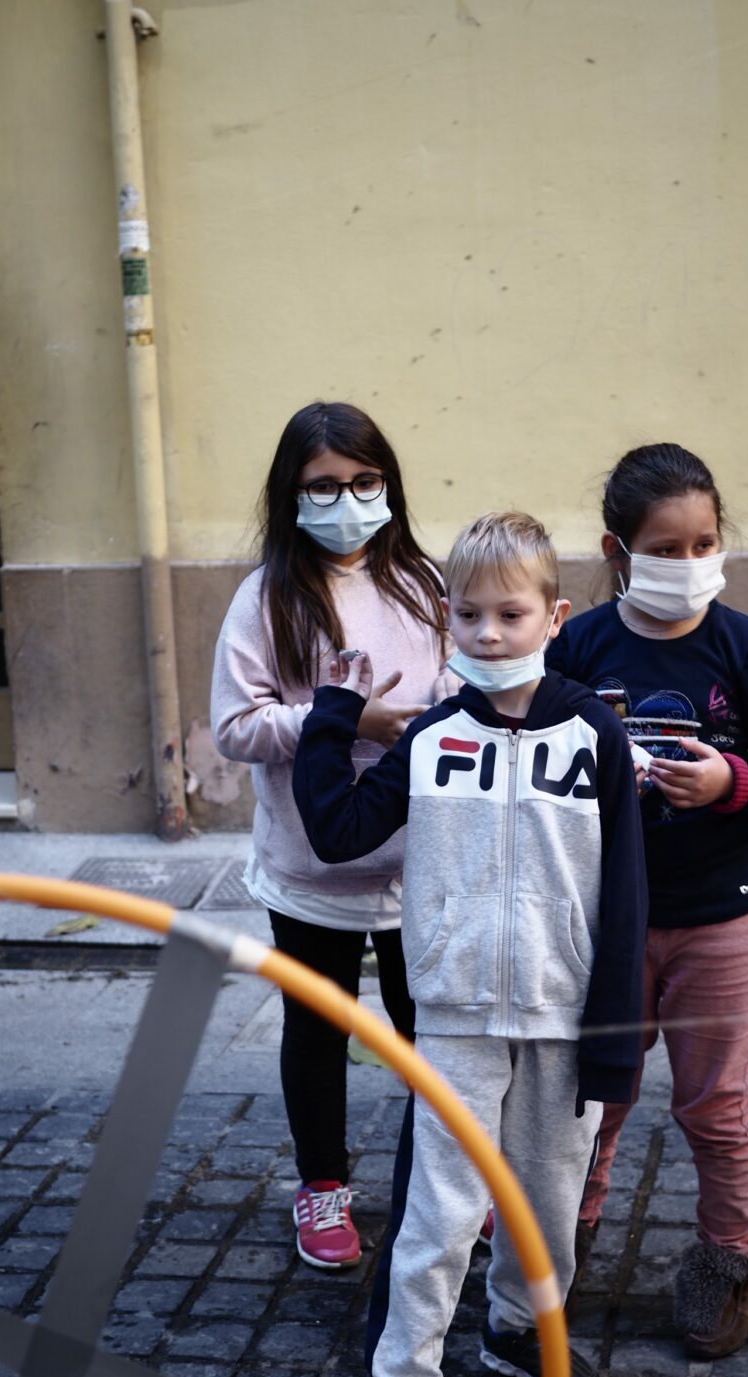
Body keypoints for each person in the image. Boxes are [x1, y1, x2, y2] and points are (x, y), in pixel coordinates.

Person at [293, 512, 647, 1377]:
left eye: (510, 614)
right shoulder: (433, 736)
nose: (488, 634)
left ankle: (516, 1330)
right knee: (440, 1214)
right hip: (453, 1019)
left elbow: (625, 896)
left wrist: (614, 1037)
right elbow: (337, 830)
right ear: (446, 619)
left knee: (548, 1208)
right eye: (468, 615)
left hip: (565, 1018)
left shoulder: (597, 735)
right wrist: (334, 714)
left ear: (554, 617)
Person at [548, 444, 748, 1359]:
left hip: (723, 918)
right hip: (610, 919)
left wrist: (730, 782)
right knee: (592, 1097)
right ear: (618, 550)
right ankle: (561, 1239)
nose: (690, 562)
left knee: (715, 1105)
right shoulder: (579, 647)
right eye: (666, 549)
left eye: (704, 543)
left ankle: (729, 1260)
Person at [211, 400, 451, 1271]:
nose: (346, 501)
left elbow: (461, 685)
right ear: (291, 493)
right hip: (310, 867)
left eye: (363, 481)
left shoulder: (424, 582)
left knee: (431, 1032)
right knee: (317, 1032)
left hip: (421, 860)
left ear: (388, 483)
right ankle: (321, 1187)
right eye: (323, 486)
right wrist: (339, 718)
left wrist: (427, 718)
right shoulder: (266, 597)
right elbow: (236, 725)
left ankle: (446, 1181)